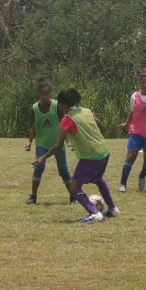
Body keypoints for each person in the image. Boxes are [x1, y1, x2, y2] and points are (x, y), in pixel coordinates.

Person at [34, 89, 120, 223]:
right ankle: (113, 209)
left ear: (62, 105)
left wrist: (42, 158)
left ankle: (94, 213)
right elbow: (103, 128)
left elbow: (58, 146)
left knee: (74, 187)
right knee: (98, 179)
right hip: (104, 152)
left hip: (90, 156)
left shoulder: (67, 119)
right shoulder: (87, 111)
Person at [25, 79, 72, 204]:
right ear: (39, 94)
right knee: (39, 167)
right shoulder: (34, 109)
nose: (45, 97)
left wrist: (67, 140)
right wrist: (30, 141)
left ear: (51, 94)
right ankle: (33, 196)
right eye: (42, 94)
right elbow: (34, 127)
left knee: (63, 170)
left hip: (58, 143)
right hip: (42, 144)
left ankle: (73, 196)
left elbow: (65, 124)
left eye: (48, 94)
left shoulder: (57, 106)